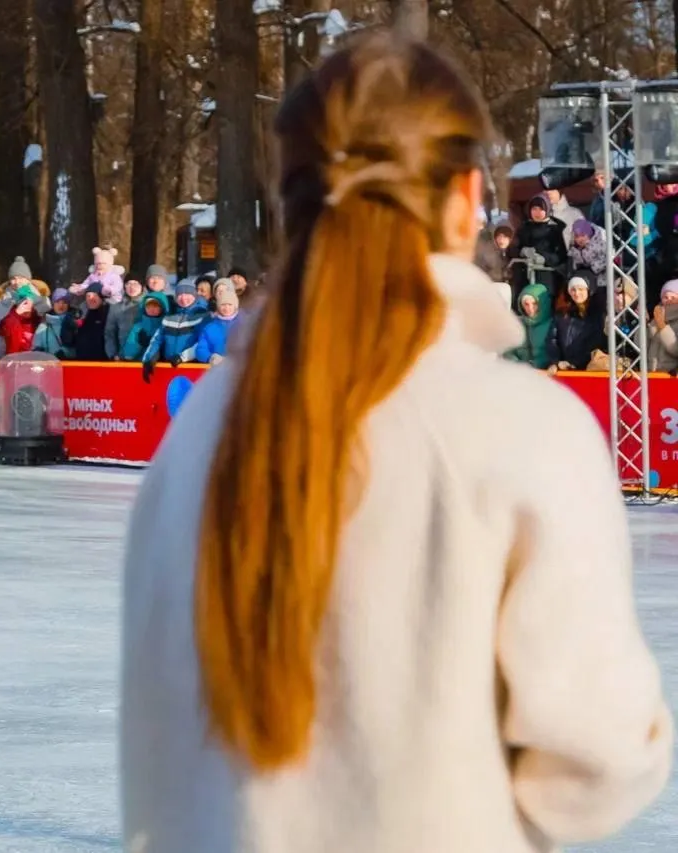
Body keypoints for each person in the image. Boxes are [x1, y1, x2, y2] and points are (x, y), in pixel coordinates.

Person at [120, 32, 670, 853]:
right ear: (465, 197)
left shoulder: (198, 433)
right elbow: (599, 753)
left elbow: (157, 748)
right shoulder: (520, 427)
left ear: (292, 200)